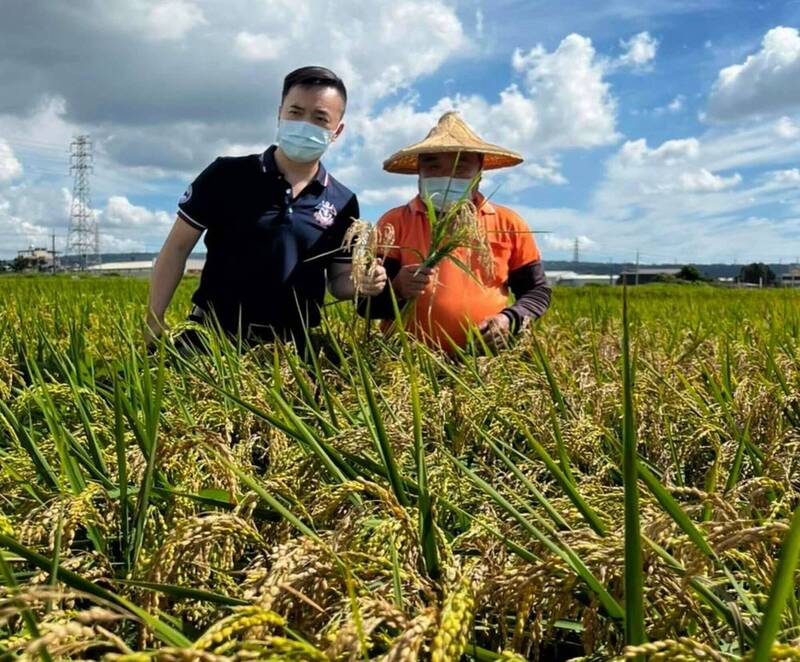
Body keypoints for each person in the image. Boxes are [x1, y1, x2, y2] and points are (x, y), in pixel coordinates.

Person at [146, 66, 386, 351]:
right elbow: (176, 248)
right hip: (213, 337)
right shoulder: (226, 175)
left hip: (294, 348)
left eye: (320, 118)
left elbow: (338, 280)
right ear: (279, 114)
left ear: (337, 131)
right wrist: (154, 317)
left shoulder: (343, 201)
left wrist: (364, 282)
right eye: (295, 112)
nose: (304, 124)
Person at [360, 111, 551, 351]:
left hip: (483, 359)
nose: (447, 178)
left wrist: (508, 320)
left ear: (479, 172)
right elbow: (365, 305)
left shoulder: (508, 224)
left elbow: (537, 291)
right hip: (406, 361)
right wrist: (396, 288)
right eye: (434, 166)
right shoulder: (393, 223)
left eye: (460, 167)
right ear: (419, 170)